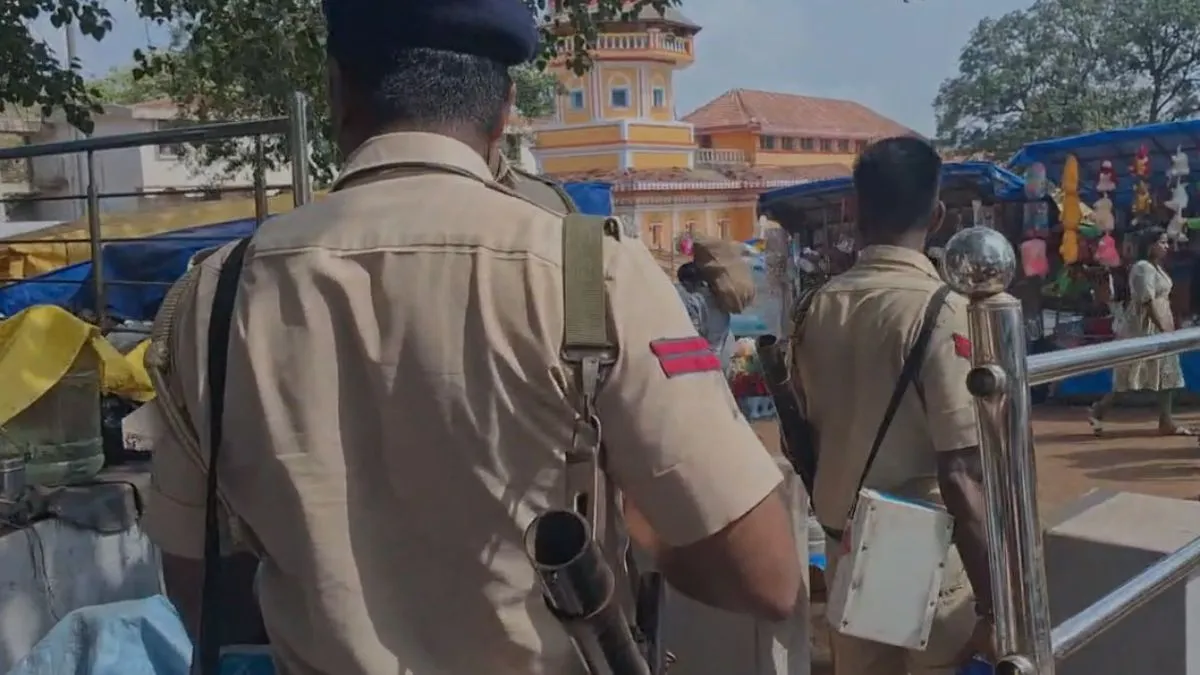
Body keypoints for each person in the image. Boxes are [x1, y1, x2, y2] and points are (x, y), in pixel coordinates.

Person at [138, 1, 802, 674]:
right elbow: (766, 574)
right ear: (506, 109)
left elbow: (196, 581)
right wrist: (638, 530)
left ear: (337, 89)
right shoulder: (587, 274)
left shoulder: (216, 295)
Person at [788, 136, 994, 675]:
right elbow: (961, 474)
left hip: (850, 551)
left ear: (853, 209)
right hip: (925, 556)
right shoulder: (942, 310)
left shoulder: (814, 308)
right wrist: (995, 606)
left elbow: (803, 435)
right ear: (938, 214)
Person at [1089, 227, 1192, 436]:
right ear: (1150, 244)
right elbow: (1147, 301)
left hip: (1161, 324)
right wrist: (1163, 328)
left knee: (1167, 372)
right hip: (1142, 328)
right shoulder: (1142, 268)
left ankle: (1166, 421)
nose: (1166, 246)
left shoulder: (1157, 267)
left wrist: (1170, 324)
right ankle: (1099, 410)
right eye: (1162, 242)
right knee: (1130, 377)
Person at [674, 260, 736, 372]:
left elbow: (692, 332)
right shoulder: (717, 295)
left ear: (687, 283)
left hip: (711, 358)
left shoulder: (694, 300)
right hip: (727, 350)